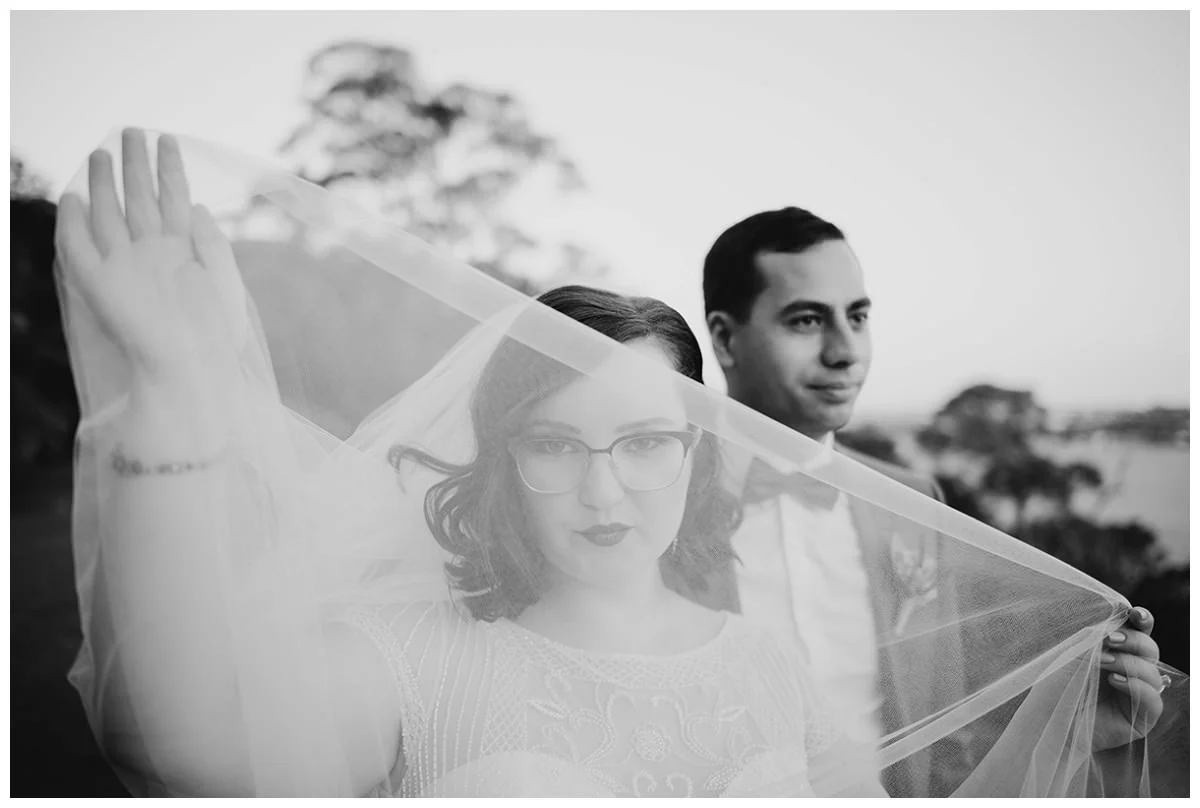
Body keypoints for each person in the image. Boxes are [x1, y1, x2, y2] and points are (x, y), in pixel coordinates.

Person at [54, 130, 885, 797]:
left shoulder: (768, 668)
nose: (603, 492)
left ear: (693, 453)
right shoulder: (415, 665)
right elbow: (173, 741)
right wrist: (171, 388)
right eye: (555, 444)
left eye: (643, 443)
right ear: (501, 457)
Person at [700, 206, 1168, 795]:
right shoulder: (650, 500)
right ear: (725, 338)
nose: (845, 351)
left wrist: (1068, 728)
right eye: (807, 320)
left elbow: (946, 730)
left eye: (858, 316)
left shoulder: (914, 501)